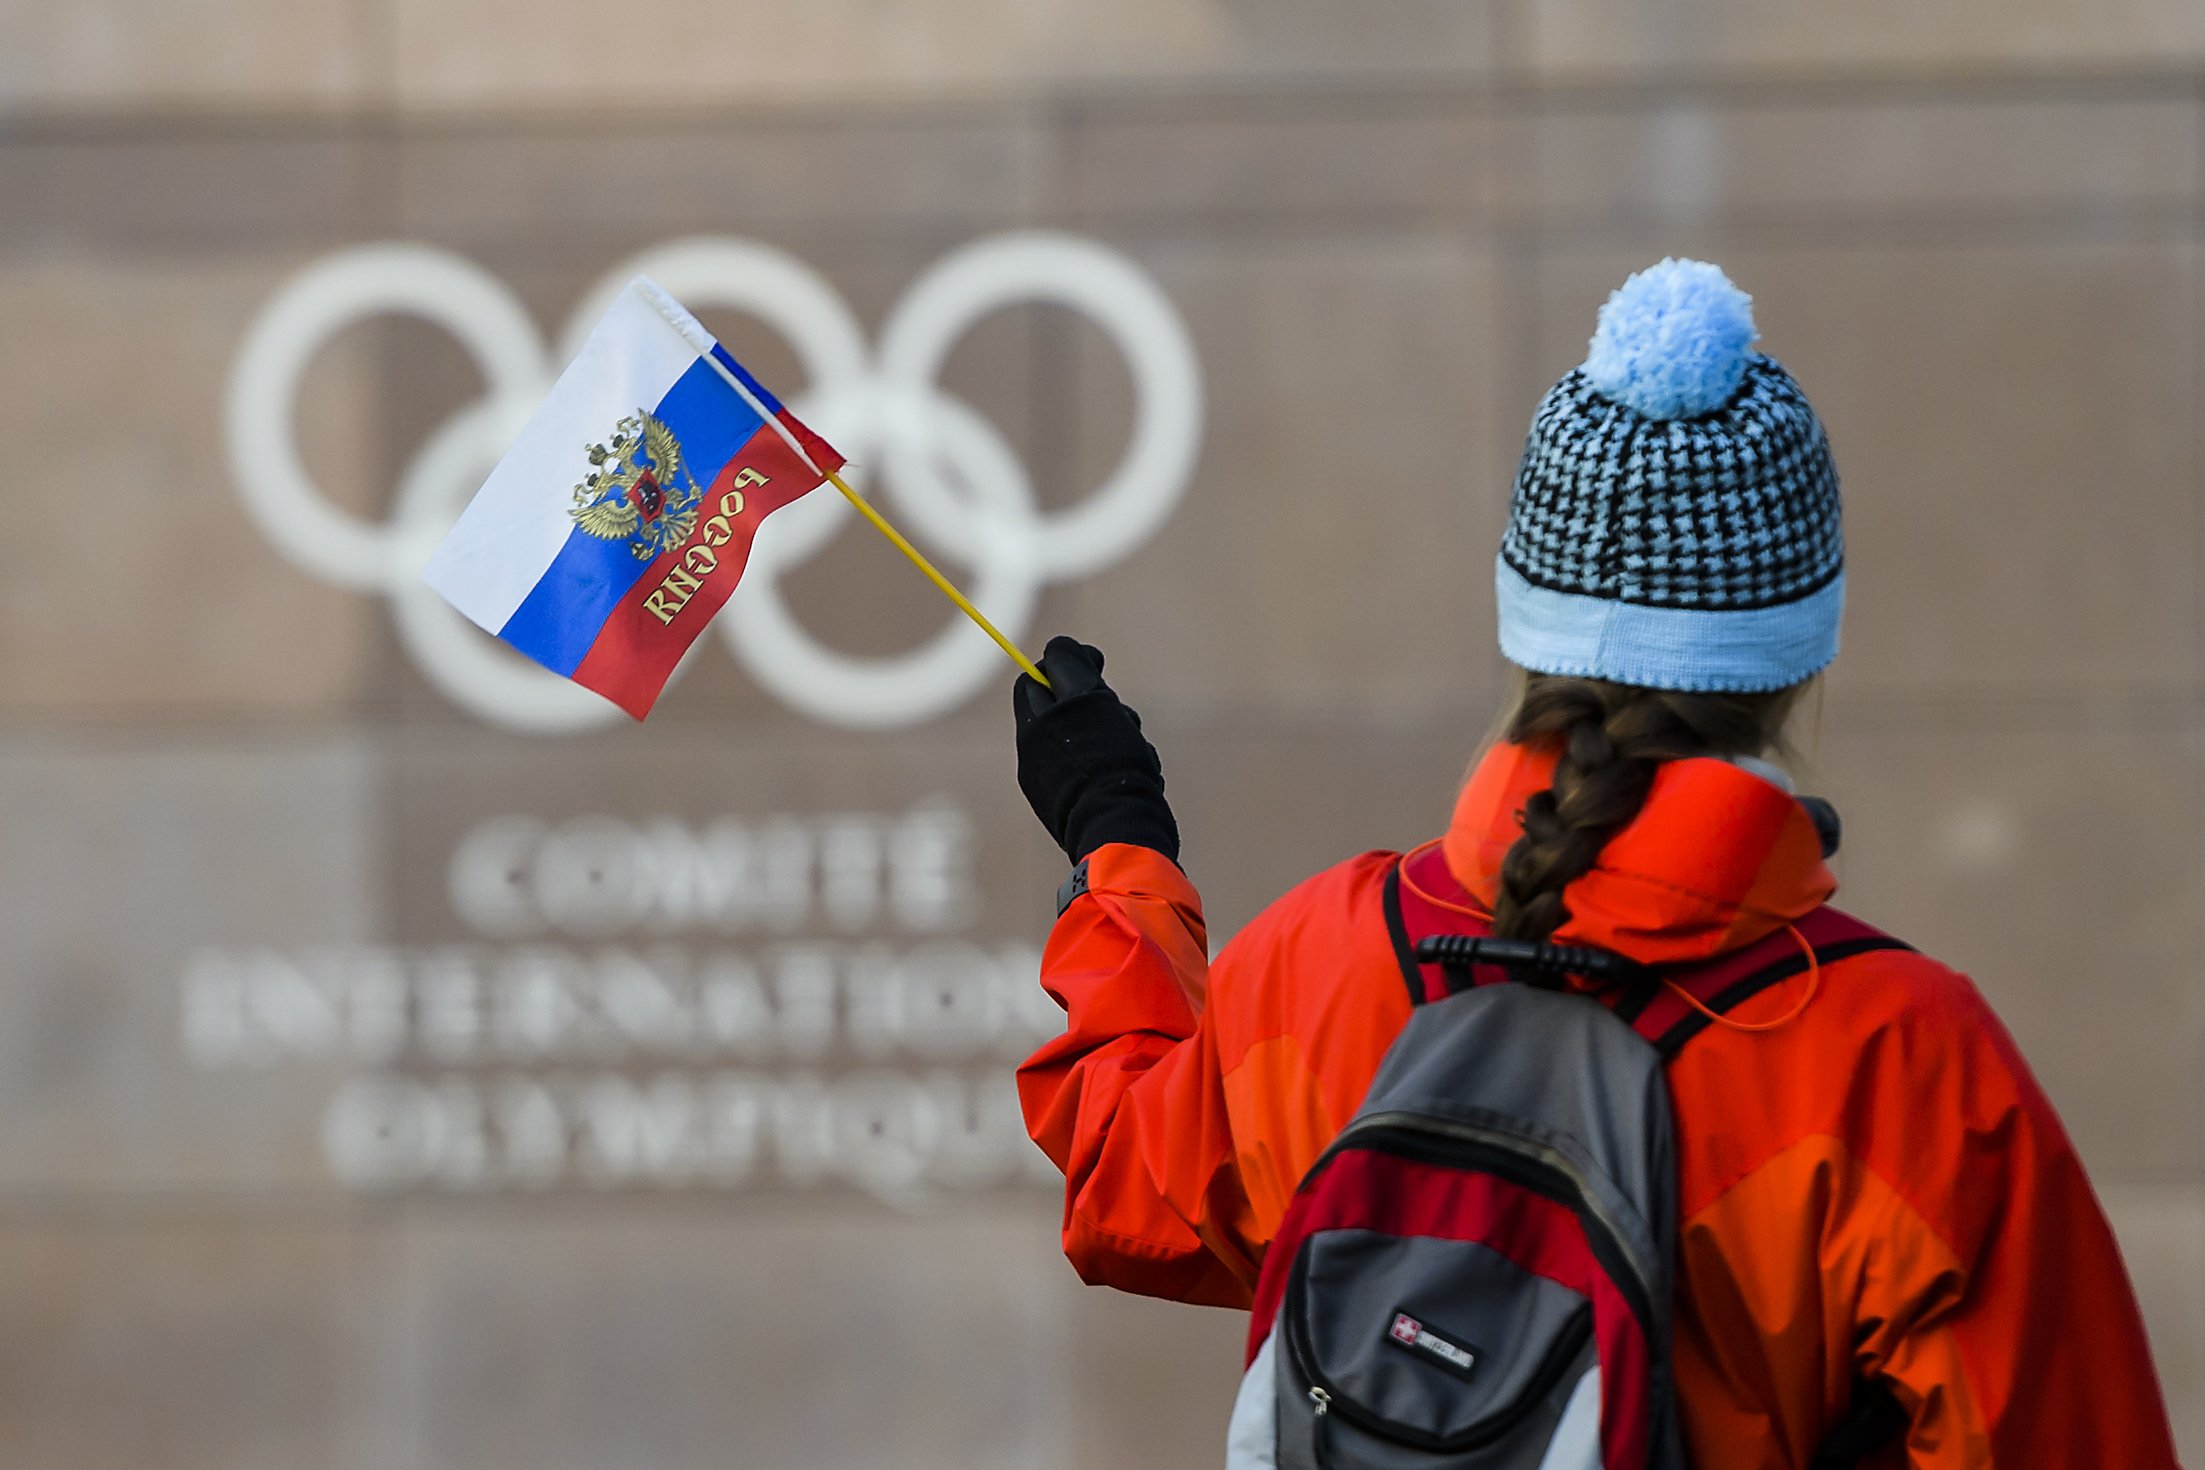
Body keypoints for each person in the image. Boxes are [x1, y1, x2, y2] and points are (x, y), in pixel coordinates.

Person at [1008, 260, 2181, 1467]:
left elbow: (1128, 1185)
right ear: (1797, 656)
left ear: (1526, 619)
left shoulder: (1333, 952)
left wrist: (1118, 843)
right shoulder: (1901, 1066)